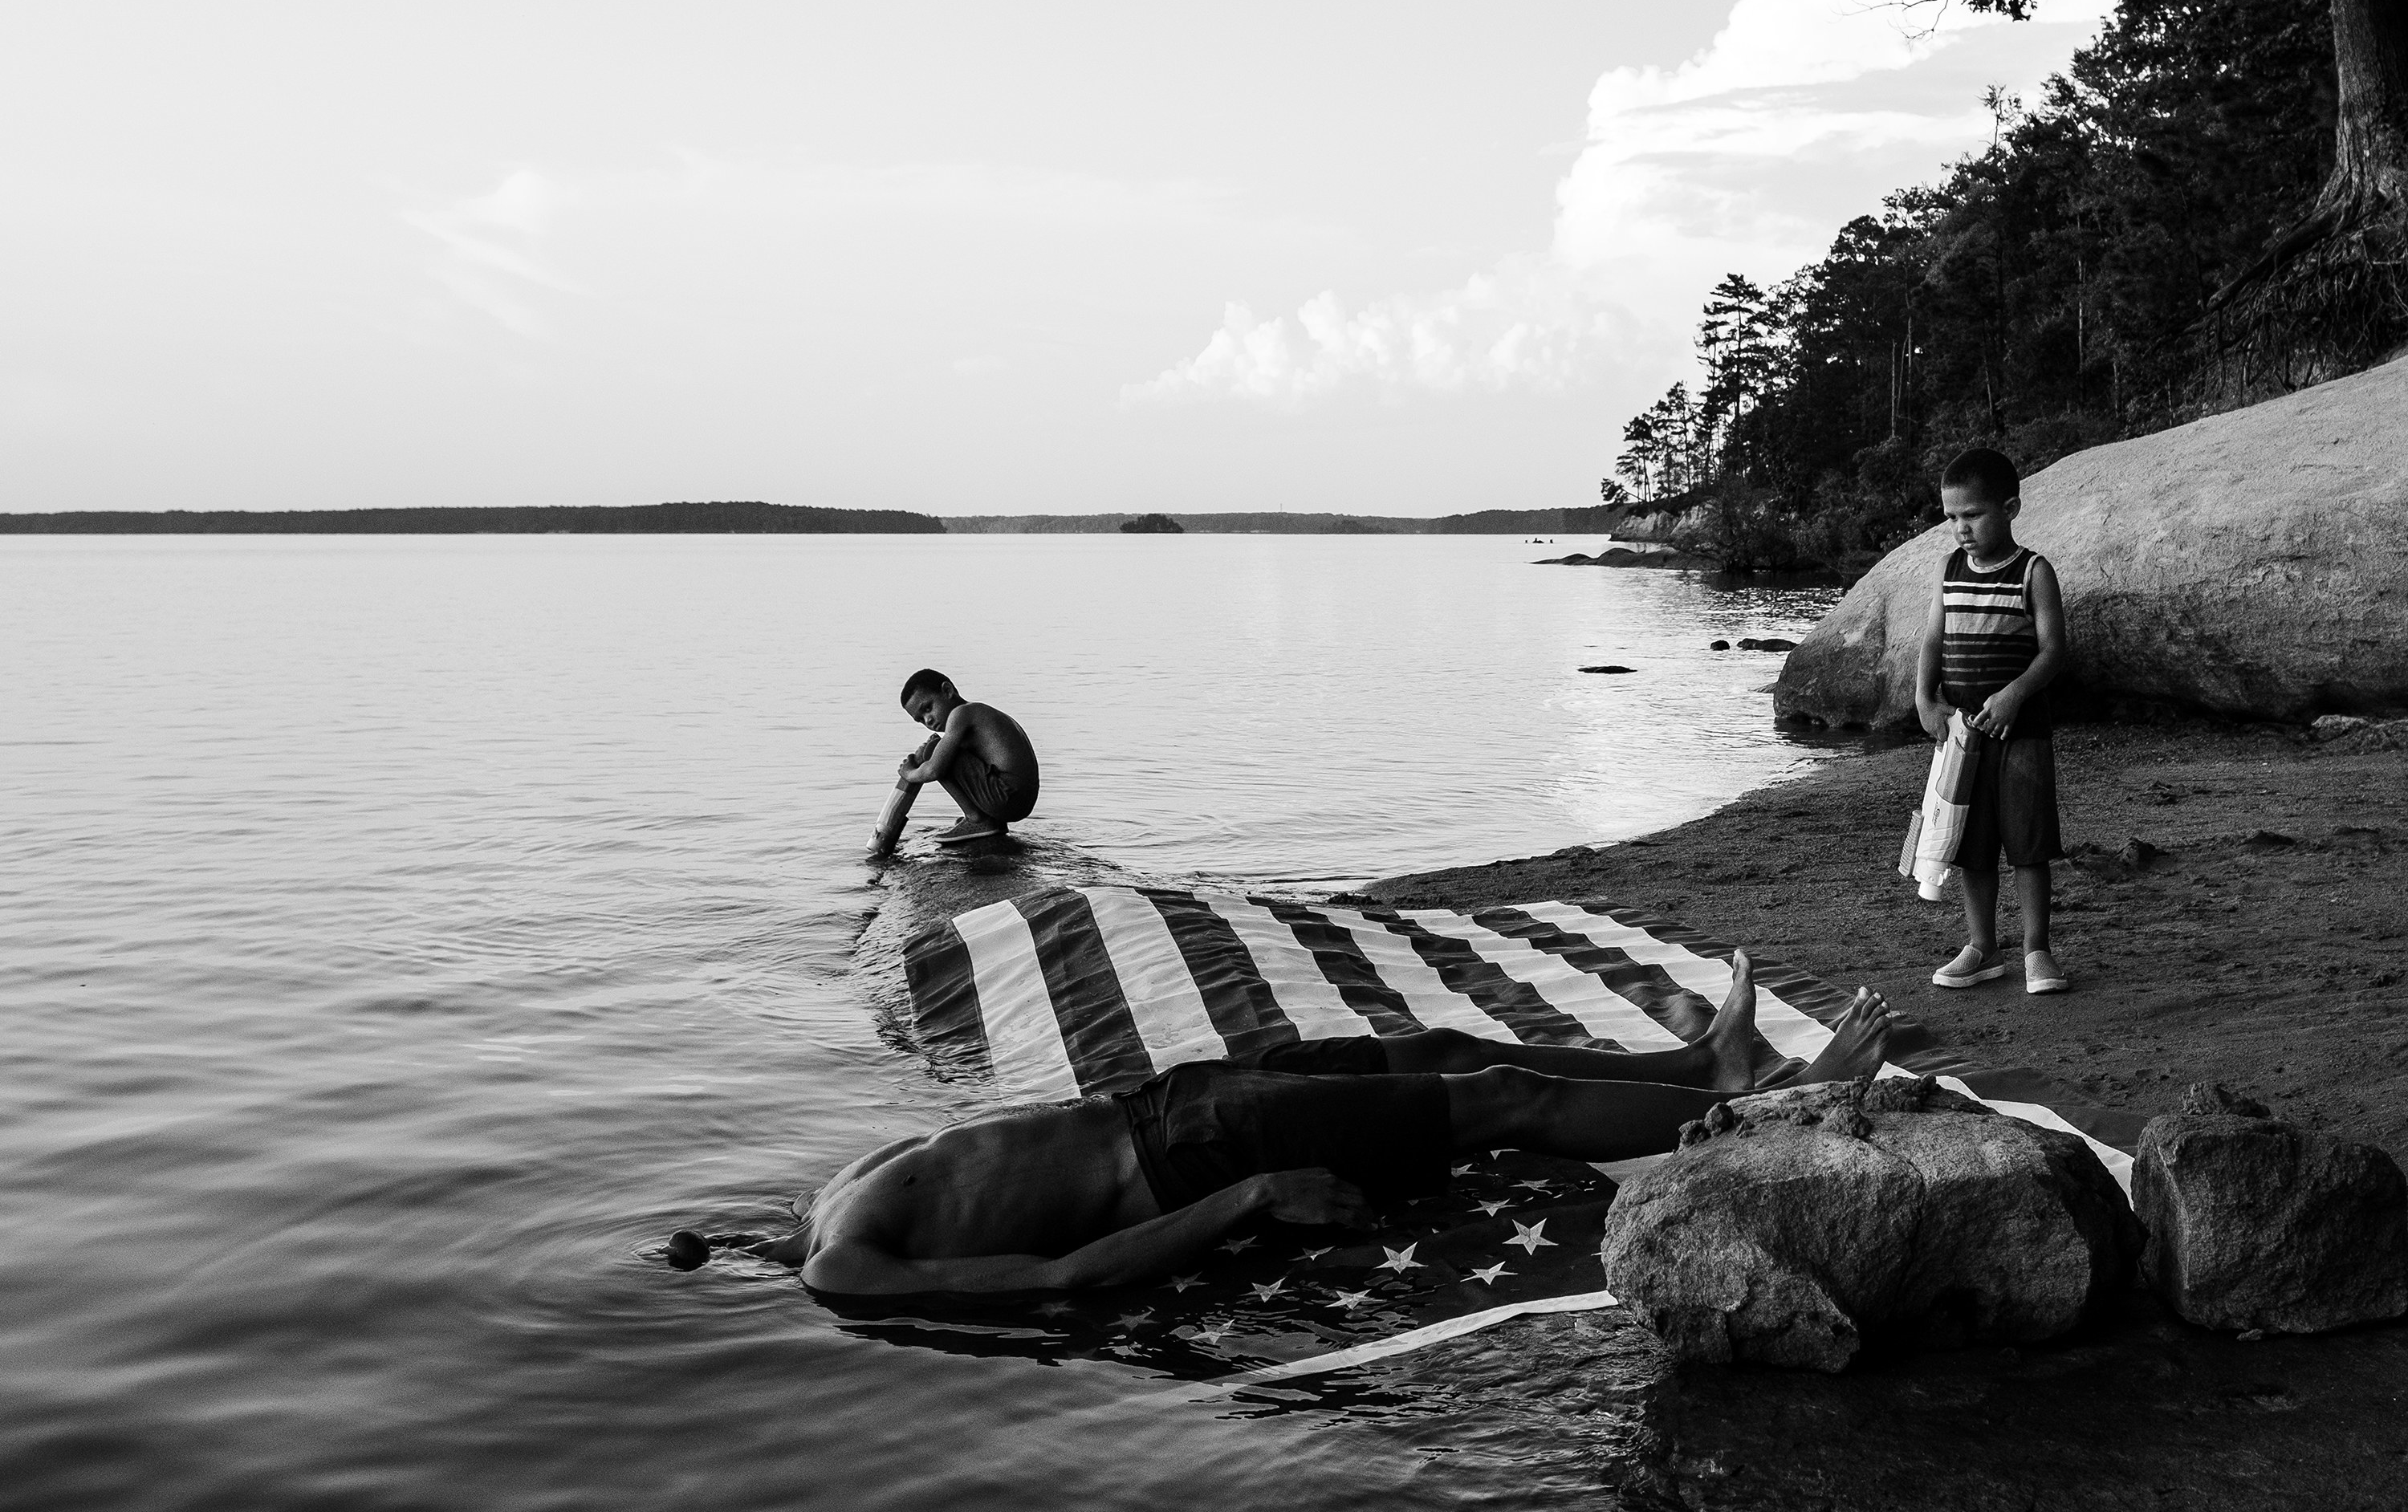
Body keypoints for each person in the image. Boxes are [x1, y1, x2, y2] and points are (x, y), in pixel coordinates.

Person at [665, 954, 1895, 1293]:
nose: (729, 1235)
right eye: (713, 1247)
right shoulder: (846, 1265)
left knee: (1440, 1049)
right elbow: (1062, 1274)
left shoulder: (839, 1190)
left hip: (1169, 1099)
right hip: (1196, 1152)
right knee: (1495, 1106)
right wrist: (1248, 1202)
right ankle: (1760, 1104)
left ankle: (1694, 1057)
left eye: (714, 1234)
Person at [1914, 447, 2070, 995]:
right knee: (1969, 844)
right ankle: (1982, 948)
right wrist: (1924, 700)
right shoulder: (1948, 570)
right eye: (1951, 517)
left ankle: (2036, 950)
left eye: (1973, 515)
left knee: (2028, 842)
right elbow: (1934, 637)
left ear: (2010, 508)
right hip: (1961, 737)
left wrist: (2013, 696)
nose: (1961, 529)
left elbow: (2053, 651)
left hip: (2021, 732)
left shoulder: (2034, 571)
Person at [895, 669, 1040, 846]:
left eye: (928, 708)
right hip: (1020, 801)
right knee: (937, 749)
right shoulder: (976, 713)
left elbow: (934, 769)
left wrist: (909, 773)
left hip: (1006, 796)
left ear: (948, 691)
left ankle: (977, 819)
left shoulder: (961, 714)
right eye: (921, 720)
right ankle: (986, 819)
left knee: (934, 752)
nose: (928, 721)